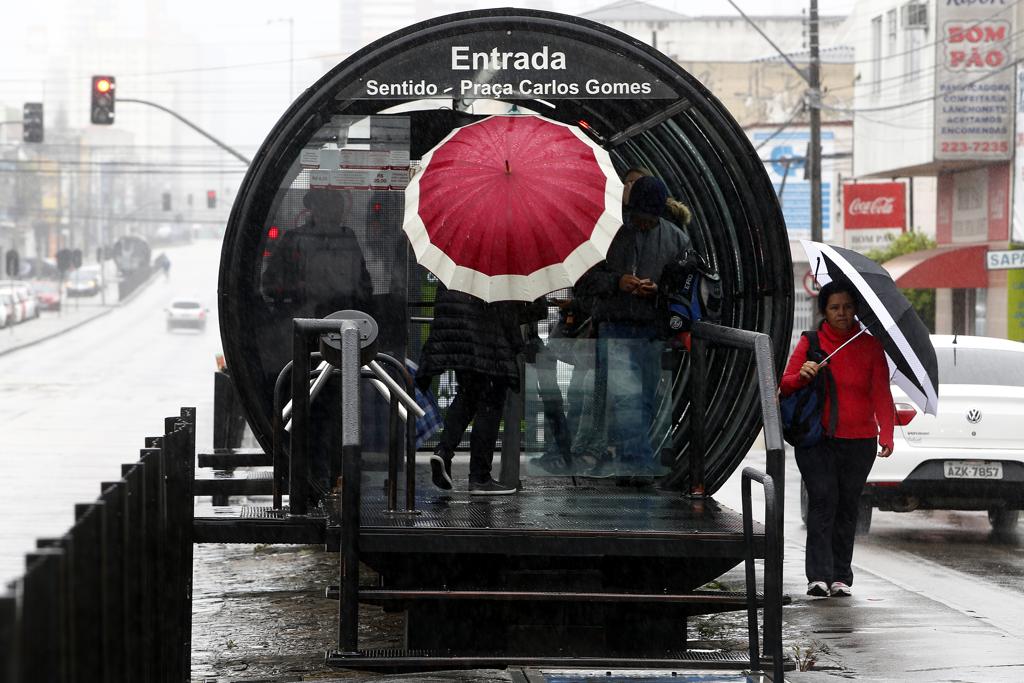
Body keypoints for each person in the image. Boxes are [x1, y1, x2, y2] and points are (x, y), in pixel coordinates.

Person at [780, 279, 895, 599]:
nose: (842, 313)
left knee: (847, 507)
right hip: (818, 439)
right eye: (834, 308)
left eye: (847, 307)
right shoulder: (811, 342)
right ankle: (818, 575)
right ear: (824, 312)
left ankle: (841, 576)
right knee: (823, 500)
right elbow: (784, 385)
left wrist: (887, 433)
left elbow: (881, 394)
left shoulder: (870, 346)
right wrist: (804, 373)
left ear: (855, 308)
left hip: (859, 441)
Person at [262, 188, 374, 506]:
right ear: (313, 209)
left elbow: (364, 286)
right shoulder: (295, 241)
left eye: (336, 207)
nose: (331, 213)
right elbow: (270, 284)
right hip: (306, 342)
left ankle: (332, 481)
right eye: (326, 207)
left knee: (335, 411)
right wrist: (299, 294)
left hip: (341, 339)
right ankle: (314, 480)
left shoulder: (346, 239)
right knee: (309, 412)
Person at [576, 175, 691, 473]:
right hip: (614, 325)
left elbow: (684, 289)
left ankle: (630, 460)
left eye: (649, 220)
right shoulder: (609, 235)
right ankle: (637, 463)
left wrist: (659, 292)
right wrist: (618, 282)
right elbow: (585, 280)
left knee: (643, 399)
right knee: (626, 398)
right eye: (639, 218)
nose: (643, 225)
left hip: (652, 328)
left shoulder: (676, 240)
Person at [416, 286, 523, 495]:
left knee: (467, 395)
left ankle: (444, 450)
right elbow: (506, 312)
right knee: (490, 404)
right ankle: (480, 477)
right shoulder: (496, 269)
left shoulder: (455, 266)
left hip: (459, 340)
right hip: (488, 341)